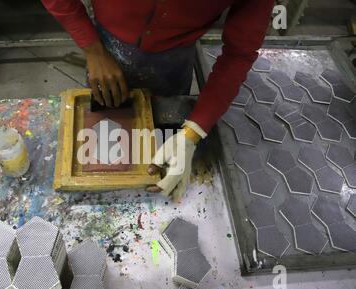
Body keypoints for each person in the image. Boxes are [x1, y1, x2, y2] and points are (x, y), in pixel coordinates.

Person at [42, 0, 275, 201]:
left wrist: (193, 132)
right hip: (106, 44)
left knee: (160, 149)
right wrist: (93, 50)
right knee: (100, 140)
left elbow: (239, 53)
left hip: (173, 60)